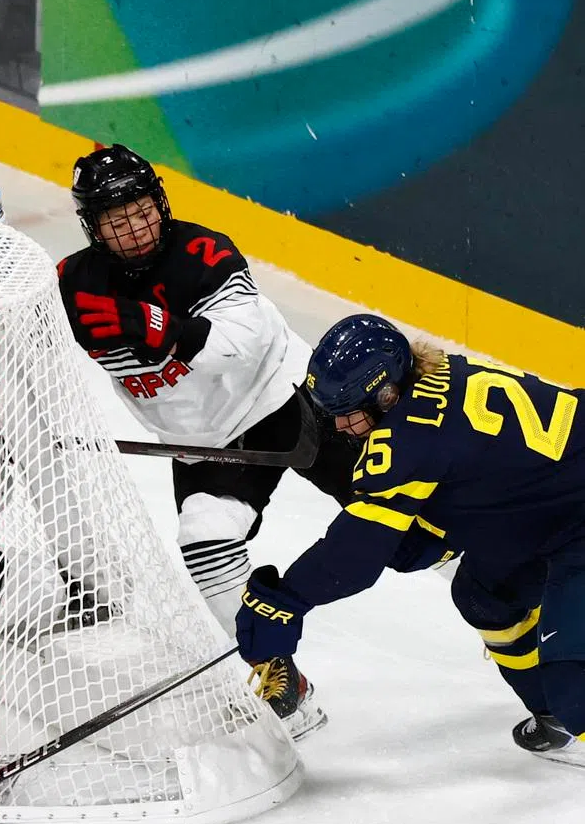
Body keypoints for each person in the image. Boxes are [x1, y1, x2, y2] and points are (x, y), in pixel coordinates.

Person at [56, 144, 360, 740]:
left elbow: (241, 342)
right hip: (201, 442)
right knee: (204, 543)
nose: (136, 228)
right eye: (117, 221)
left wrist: (161, 329)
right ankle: (280, 678)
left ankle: (496, 568)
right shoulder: (72, 283)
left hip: (282, 400)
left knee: (401, 497)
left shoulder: (202, 251)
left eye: (142, 211)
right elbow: (17, 340)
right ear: (93, 227)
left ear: (160, 204)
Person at [235, 313, 585, 768]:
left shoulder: (407, 439)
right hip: (549, 514)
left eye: (349, 413)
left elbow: (353, 558)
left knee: (574, 683)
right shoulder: (442, 374)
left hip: (572, 522)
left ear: (386, 394)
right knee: (485, 596)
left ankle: (563, 706)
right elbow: (493, 465)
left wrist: (283, 600)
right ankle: (551, 715)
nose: (341, 426)